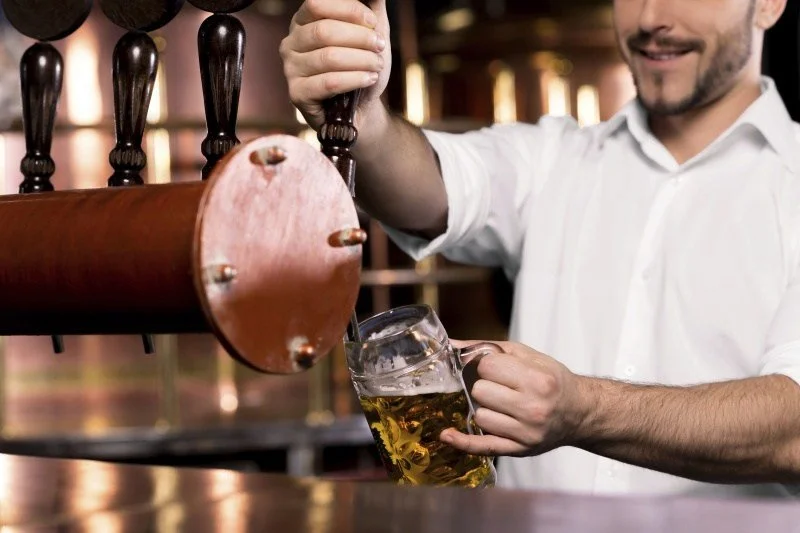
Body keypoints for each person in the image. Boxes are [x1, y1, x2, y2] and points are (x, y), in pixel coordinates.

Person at [280, 0, 800, 497]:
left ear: (768, 6)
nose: (650, 19)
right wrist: (362, 118)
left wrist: (584, 409)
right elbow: (429, 189)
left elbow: (792, 431)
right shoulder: (557, 158)